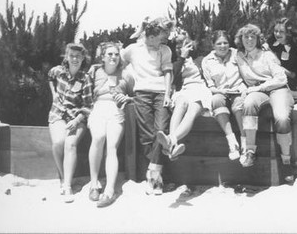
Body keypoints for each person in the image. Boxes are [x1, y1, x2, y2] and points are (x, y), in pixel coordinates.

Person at [121, 17, 181, 196]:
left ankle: (153, 175)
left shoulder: (165, 50)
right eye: (163, 36)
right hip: (141, 93)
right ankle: (160, 170)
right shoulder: (133, 49)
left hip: (161, 92)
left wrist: (168, 94)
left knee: (160, 131)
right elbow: (119, 61)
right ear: (152, 34)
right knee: (146, 137)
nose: (166, 39)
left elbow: (168, 73)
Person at [234, 24, 295, 182]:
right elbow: (238, 76)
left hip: (277, 88)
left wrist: (259, 87)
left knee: (281, 118)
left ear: (258, 39)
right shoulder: (239, 56)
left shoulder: (267, 55)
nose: (249, 40)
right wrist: (243, 88)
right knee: (248, 103)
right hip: (258, 92)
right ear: (240, 39)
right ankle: (250, 151)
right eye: (246, 36)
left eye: (252, 37)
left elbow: (281, 78)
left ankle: (286, 161)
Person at [87, 42, 133, 208]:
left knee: (112, 147)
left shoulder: (126, 74)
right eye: (110, 54)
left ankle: (109, 190)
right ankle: (94, 184)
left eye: (116, 54)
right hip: (98, 108)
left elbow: (134, 94)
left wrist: (127, 99)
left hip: (116, 110)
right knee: (98, 138)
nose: (113, 57)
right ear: (103, 57)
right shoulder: (94, 71)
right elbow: (85, 92)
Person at [156, 29, 213, 161]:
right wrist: (181, 57)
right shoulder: (175, 62)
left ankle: (171, 140)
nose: (181, 47)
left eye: (184, 44)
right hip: (184, 90)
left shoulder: (200, 59)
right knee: (181, 103)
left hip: (200, 90)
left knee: (193, 109)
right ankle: (173, 146)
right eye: (178, 45)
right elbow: (172, 78)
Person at [47, 43, 93, 203]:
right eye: (71, 55)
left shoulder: (85, 78)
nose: (74, 59)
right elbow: (49, 77)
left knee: (70, 144)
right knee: (58, 143)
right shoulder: (58, 71)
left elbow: (88, 105)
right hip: (57, 113)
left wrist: (77, 120)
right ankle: (63, 177)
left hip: (76, 116)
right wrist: (53, 94)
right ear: (67, 57)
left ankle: (67, 186)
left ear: (82, 58)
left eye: (78, 56)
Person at [201, 30, 247, 160]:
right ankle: (232, 142)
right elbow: (211, 87)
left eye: (225, 43)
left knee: (239, 103)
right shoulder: (207, 61)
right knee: (216, 101)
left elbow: (246, 74)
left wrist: (243, 89)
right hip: (220, 92)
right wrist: (220, 91)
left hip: (238, 90)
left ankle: (244, 142)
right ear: (213, 45)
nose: (223, 46)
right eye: (219, 43)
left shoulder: (237, 54)